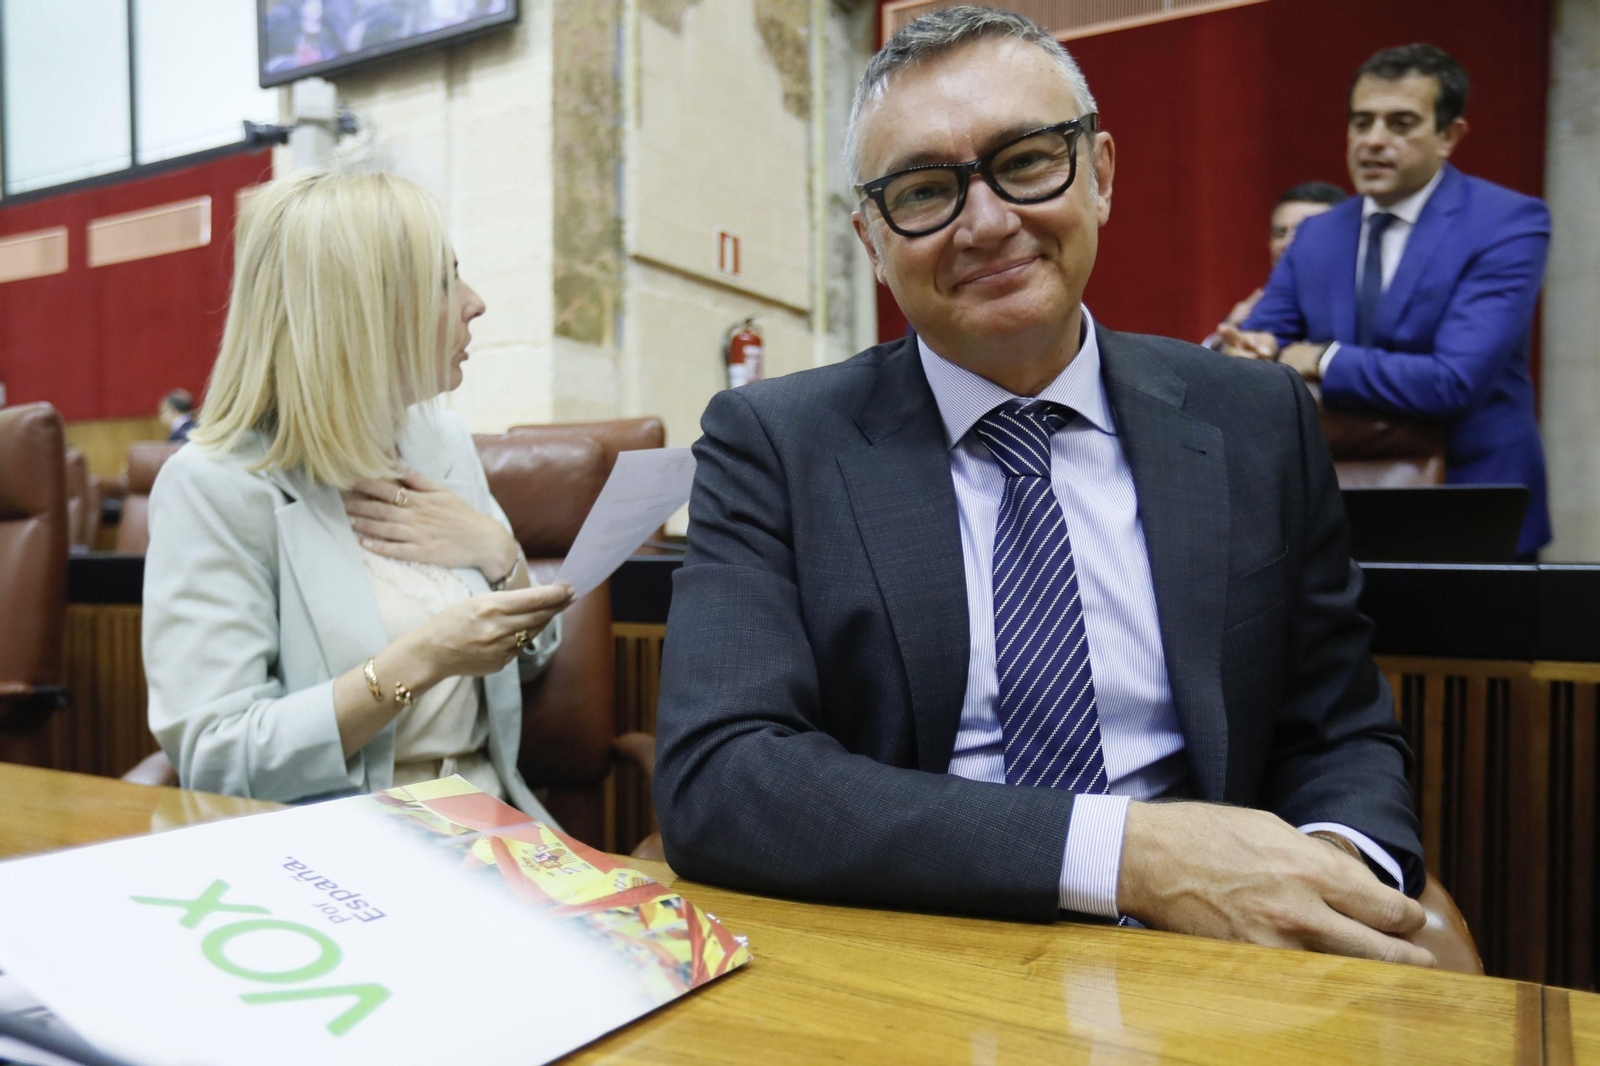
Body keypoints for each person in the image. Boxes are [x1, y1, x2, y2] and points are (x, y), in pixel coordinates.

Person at [653, 7, 1433, 966]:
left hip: (1222, 957)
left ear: (1100, 173)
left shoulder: (1255, 417)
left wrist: (1324, 876)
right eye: (926, 190)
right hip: (920, 951)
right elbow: (722, 775)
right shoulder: (774, 441)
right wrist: (1124, 854)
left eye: (1026, 161)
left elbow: (1339, 726)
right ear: (870, 237)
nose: (986, 224)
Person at [143, 170, 573, 816]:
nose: (475, 301)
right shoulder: (214, 487)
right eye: (442, 282)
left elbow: (533, 659)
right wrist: (419, 660)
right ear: (359, 312)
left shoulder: (443, 442)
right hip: (336, 846)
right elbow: (219, 756)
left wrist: (501, 554)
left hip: (494, 822)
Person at [1225, 44, 1551, 557]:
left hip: (1471, 507)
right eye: (1362, 122)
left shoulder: (1508, 223)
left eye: (1400, 123)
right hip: (1336, 505)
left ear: (1449, 136)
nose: (1374, 141)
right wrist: (1243, 357)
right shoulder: (1317, 235)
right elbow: (1263, 345)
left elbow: (1453, 383)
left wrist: (1322, 358)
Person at [1204, 182, 1346, 348]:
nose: (1287, 243)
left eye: (1304, 233)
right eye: (1280, 233)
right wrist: (1226, 338)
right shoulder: (1254, 313)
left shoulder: (1357, 312)